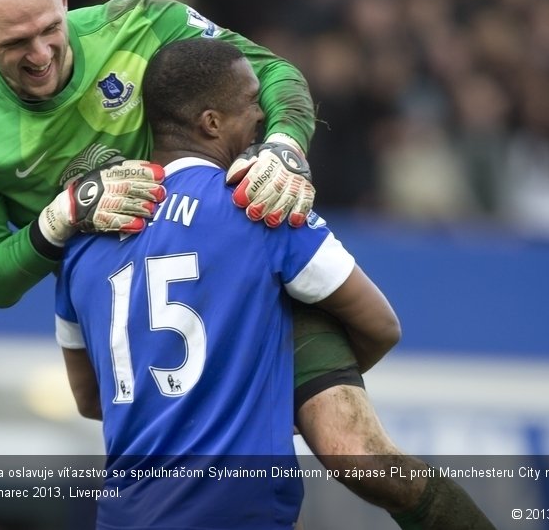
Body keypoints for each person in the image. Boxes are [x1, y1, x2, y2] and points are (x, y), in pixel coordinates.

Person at [0, 0, 495, 529]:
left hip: (240, 264)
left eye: (50, 29)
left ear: (65, 1)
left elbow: (269, 75)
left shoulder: (141, 24)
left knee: (357, 454)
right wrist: (60, 217)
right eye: (15, 44)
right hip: (128, 301)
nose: (41, 53)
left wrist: (284, 146)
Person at [57, 37, 403, 528]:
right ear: (211, 122)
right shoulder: (259, 205)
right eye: (251, 103)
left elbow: (90, 399)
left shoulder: (81, 242)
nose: (263, 115)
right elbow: (382, 325)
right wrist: (281, 394)